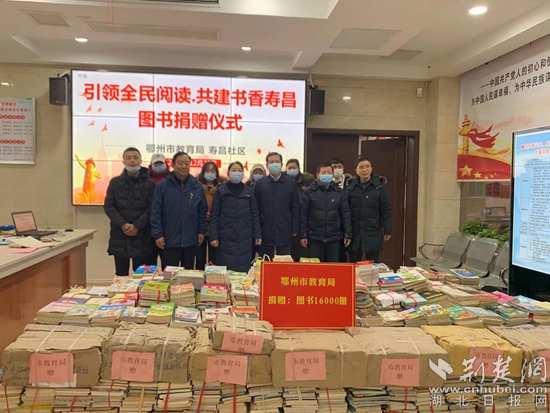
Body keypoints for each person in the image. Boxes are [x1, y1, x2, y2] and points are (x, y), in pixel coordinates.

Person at [150, 152, 207, 269]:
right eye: (180, 163)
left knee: (188, 275)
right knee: (170, 275)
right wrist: (158, 234)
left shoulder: (197, 186)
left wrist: (201, 231)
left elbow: (202, 211)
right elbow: (155, 212)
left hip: (191, 240)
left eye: (187, 163)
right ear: (173, 165)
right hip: (169, 240)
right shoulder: (162, 186)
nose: (184, 166)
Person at [104, 147, 156, 276]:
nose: (132, 161)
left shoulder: (150, 184)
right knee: (121, 274)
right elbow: (109, 206)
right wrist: (123, 224)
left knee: (142, 276)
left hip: (142, 235)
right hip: (120, 235)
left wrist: (137, 226)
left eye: (135, 158)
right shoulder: (115, 183)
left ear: (141, 161)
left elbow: (152, 208)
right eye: (128, 158)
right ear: (123, 162)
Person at [209, 162, 262, 272]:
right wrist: (213, 236)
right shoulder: (221, 191)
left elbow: (254, 215)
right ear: (228, 173)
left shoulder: (249, 191)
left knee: (244, 271)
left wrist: (257, 234)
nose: (236, 172)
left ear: (243, 173)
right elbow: (215, 216)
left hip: (245, 238)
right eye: (234, 170)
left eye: (239, 170)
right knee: (226, 271)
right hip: (225, 237)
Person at [300, 163, 352, 262]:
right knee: (315, 267)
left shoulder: (340, 192)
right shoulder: (309, 192)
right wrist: (303, 235)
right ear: (317, 175)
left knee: (332, 267)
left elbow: (345, 214)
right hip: (314, 237)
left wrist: (347, 234)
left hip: (334, 237)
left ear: (332, 175)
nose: (326, 174)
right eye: (323, 172)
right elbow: (303, 214)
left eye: (329, 172)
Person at [346, 156, 392, 263]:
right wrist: (346, 232)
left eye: (367, 167)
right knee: (354, 264)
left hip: (373, 231)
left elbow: (386, 210)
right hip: (355, 232)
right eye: (361, 167)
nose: (365, 170)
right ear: (356, 170)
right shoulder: (351, 187)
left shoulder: (380, 187)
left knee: (372, 265)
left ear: (371, 168)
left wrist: (387, 229)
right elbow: (346, 211)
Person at [254, 152, 299, 259]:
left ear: (281, 164)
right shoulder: (260, 184)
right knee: (265, 262)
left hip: (285, 229)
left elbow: (295, 207)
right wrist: (257, 232)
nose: (274, 164)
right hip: (265, 230)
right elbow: (255, 209)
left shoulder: (290, 183)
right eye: (272, 162)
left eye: (277, 162)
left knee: (284, 263)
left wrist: (295, 228)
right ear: (267, 165)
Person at [195, 161, 227, 270]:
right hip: (200, 228)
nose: (210, 173)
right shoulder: (197, 187)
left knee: (214, 259)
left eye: (213, 171)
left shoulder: (221, 188)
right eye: (207, 171)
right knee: (200, 258)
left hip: (215, 229)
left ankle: (213, 279)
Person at [285, 158, 315, 261]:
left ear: (299, 168)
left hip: (304, 220)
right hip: (288, 220)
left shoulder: (307, 181)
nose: (292, 170)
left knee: (302, 253)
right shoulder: (283, 182)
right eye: (289, 168)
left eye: (294, 167)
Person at [148, 153, 170, 268]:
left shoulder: (172, 179)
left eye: (161, 163)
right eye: (156, 163)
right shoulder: (145, 179)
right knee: (150, 267)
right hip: (148, 229)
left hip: (168, 230)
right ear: (151, 165)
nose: (159, 166)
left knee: (167, 267)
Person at [331, 157, 353, 262]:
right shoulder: (326, 184)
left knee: (343, 256)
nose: (337, 169)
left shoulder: (350, 183)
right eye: (334, 167)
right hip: (332, 227)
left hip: (347, 225)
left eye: (339, 167)